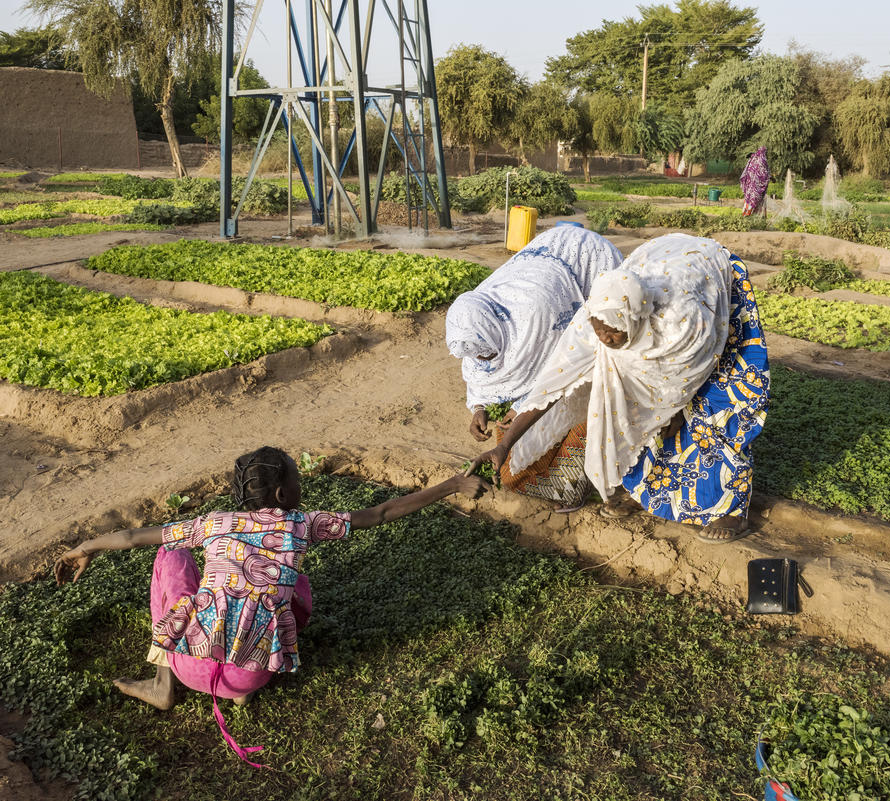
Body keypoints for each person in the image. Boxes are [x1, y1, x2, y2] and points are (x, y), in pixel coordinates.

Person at [54, 446, 486, 765]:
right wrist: (452, 484)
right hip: (253, 675)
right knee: (294, 583)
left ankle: (162, 683)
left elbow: (132, 537)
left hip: (190, 664)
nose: (303, 483)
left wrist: (85, 548)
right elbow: (381, 513)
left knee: (171, 556)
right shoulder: (302, 525)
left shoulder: (213, 524)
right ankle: (238, 690)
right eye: (299, 478)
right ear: (283, 493)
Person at [467, 234, 769, 542]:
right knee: (627, 410)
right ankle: (646, 492)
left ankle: (730, 509)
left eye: (614, 334)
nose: (606, 340)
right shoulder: (594, 322)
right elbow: (551, 387)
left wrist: (674, 409)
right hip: (659, 259)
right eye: (601, 332)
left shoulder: (681, 323)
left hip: (710, 289)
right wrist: (505, 445)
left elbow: (689, 374)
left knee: (717, 405)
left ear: (635, 319)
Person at [446, 226, 622, 510]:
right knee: (520, 448)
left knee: (591, 385)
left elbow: (557, 373)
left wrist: (523, 409)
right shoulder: (471, 319)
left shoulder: (537, 319)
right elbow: (478, 367)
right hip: (548, 268)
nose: (484, 360)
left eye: (486, 353)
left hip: (585, 262)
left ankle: (590, 473)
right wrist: (478, 407)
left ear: (494, 330)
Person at [740, 146, 770, 217]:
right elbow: (764, 173)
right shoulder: (762, 161)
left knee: (748, 199)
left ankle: (745, 215)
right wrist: (769, 177)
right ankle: (748, 216)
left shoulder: (752, 159)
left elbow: (748, 170)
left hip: (749, 184)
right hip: (756, 187)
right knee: (755, 200)